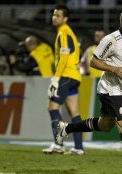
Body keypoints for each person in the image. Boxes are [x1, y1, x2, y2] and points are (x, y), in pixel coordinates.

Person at [55, 9, 122, 174]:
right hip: (109, 89)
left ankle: (67, 128)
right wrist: (113, 68)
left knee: (105, 125)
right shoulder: (111, 40)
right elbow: (94, 61)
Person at [42, 5, 84, 155]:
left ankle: (58, 144)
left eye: (58, 15)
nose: (54, 18)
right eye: (53, 15)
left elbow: (64, 57)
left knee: (52, 108)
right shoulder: (68, 33)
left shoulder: (64, 33)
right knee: (74, 113)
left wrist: (56, 77)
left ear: (65, 18)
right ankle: (78, 147)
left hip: (66, 76)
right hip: (75, 77)